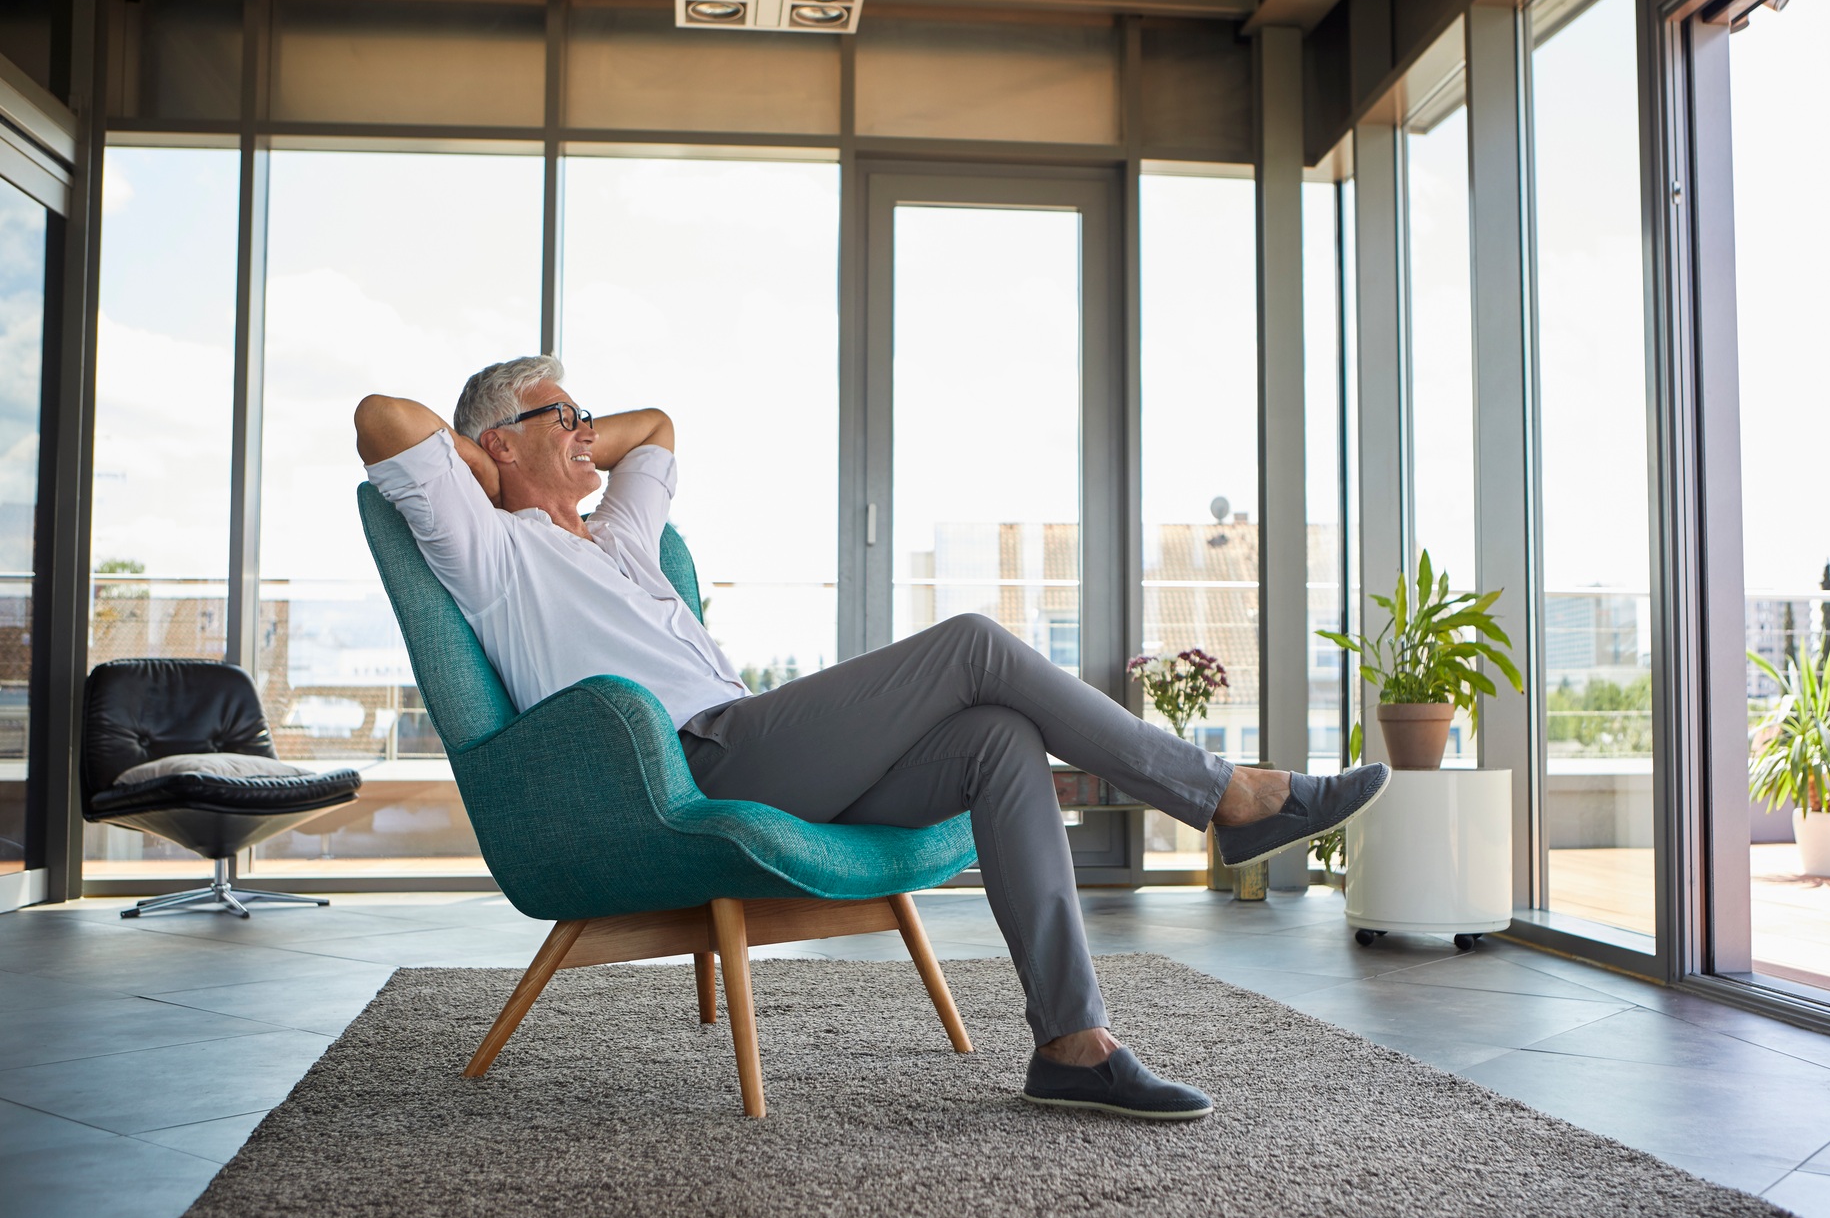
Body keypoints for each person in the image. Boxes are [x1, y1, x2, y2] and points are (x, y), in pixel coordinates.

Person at [355, 355, 1389, 1121]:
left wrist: (558, 433)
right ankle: (1225, 796)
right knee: (975, 644)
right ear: (493, 445)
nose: (589, 430)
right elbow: (380, 416)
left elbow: (662, 423)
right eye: (564, 414)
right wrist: (494, 465)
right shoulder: (489, 549)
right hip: (690, 761)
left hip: (768, 751)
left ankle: (1072, 1044)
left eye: (588, 414)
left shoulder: (619, 533)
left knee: (995, 737)